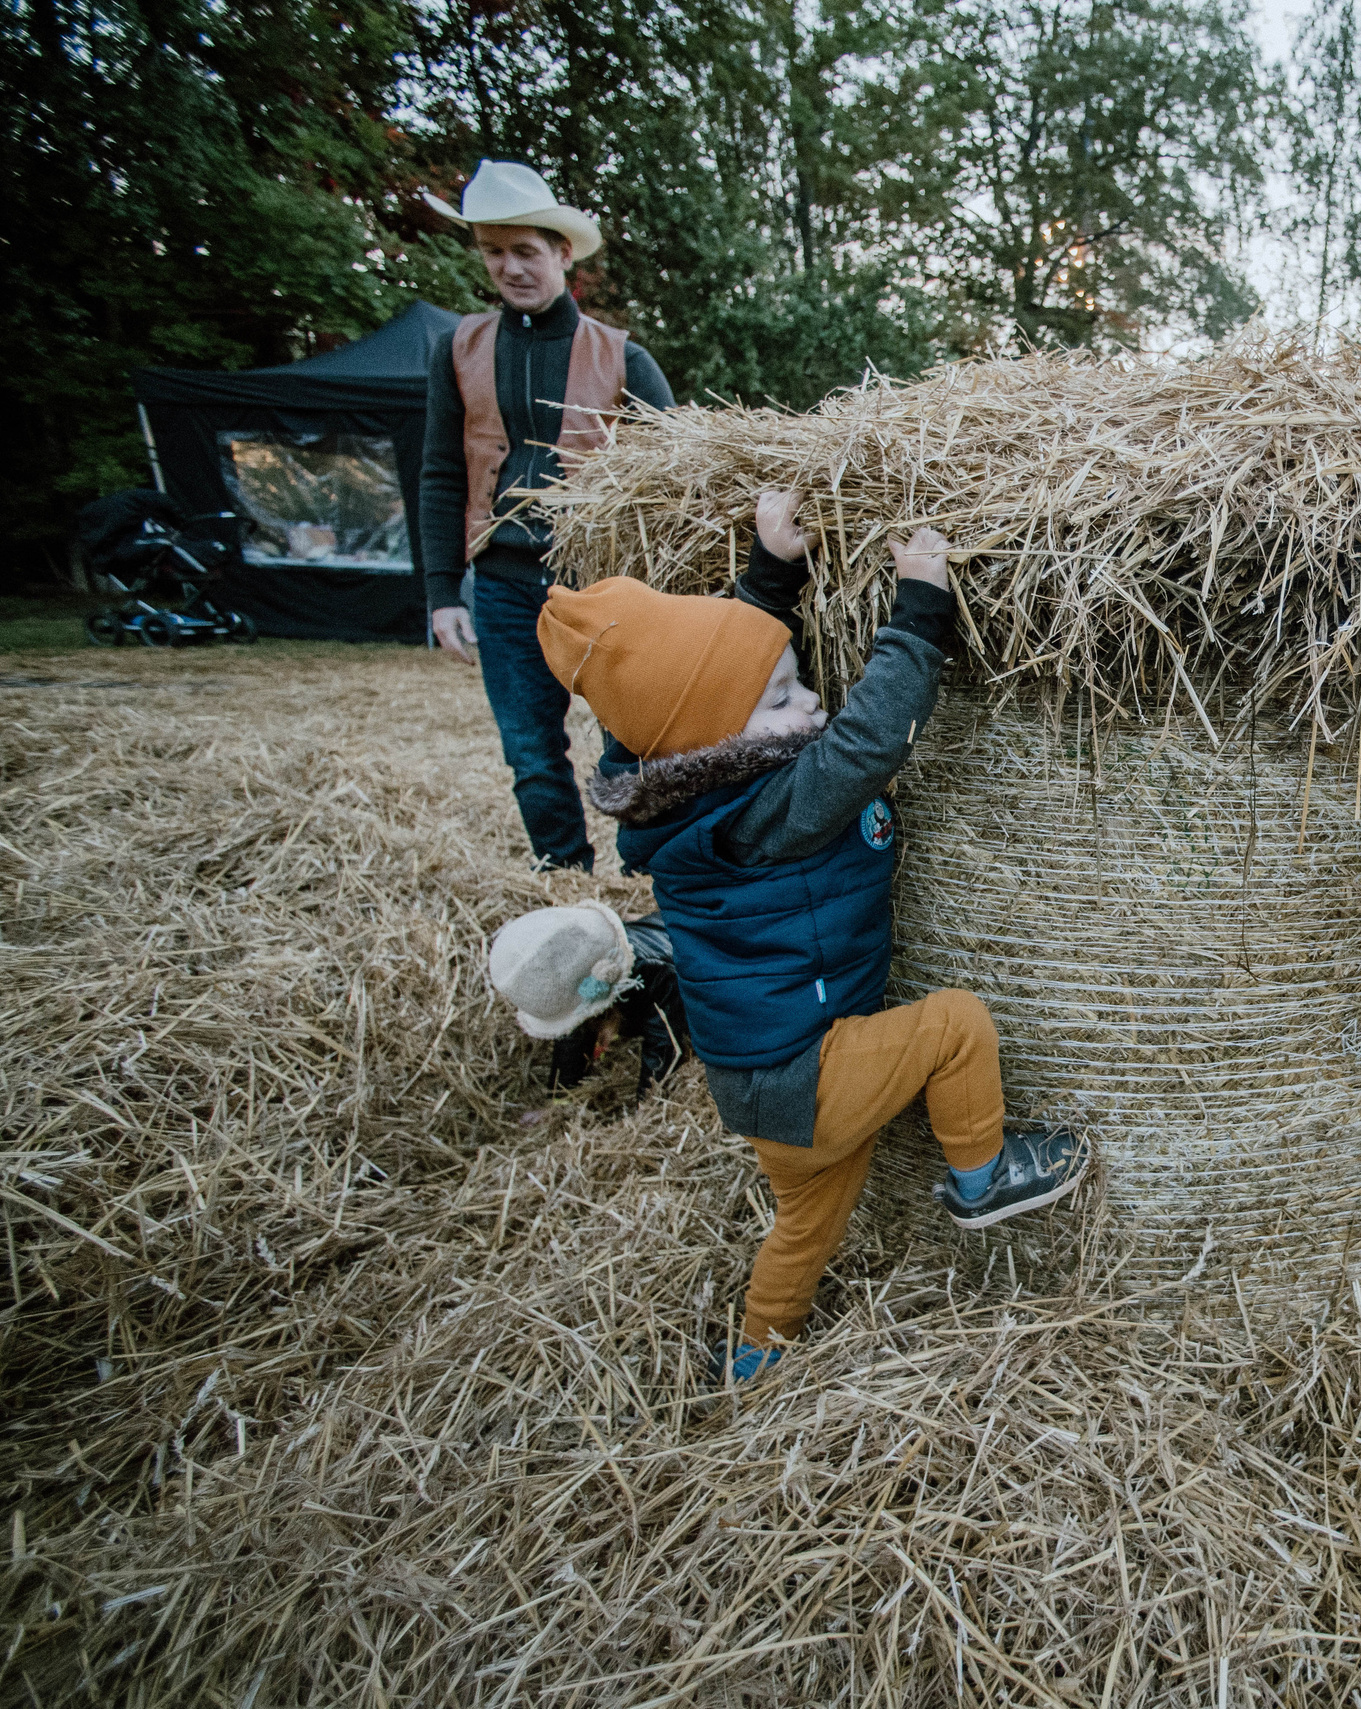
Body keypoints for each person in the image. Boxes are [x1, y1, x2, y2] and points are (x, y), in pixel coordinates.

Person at [538, 493, 1089, 1382]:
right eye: (786, 699)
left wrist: (769, 577)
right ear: (721, 742)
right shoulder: (770, 811)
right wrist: (920, 607)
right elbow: (869, 742)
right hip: (812, 1074)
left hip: (763, 1098)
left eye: (798, 684)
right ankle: (984, 1179)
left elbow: (713, 679)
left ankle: (757, 1353)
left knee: (804, 1227)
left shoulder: (672, 788)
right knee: (955, 1027)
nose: (812, 702)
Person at [419, 160, 676, 873]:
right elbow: (440, 474)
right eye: (494, 251)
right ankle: (563, 876)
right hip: (503, 583)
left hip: (600, 584)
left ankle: (641, 873)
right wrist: (442, 592)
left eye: (525, 251)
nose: (511, 267)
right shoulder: (459, 350)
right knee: (530, 748)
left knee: (631, 738)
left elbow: (680, 476)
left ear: (562, 253)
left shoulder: (623, 357)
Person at [486, 902, 689, 1096]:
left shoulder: (656, 977)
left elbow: (666, 1047)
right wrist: (560, 1095)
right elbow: (573, 1023)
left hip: (686, 949)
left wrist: (644, 1106)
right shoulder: (580, 962)